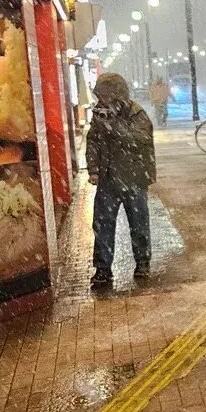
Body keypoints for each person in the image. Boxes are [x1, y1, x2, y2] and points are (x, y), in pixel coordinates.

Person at [86, 72, 157, 288]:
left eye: (107, 96)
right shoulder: (100, 113)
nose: (104, 101)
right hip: (108, 179)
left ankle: (143, 263)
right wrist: (94, 169)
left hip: (134, 178)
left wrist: (114, 126)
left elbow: (140, 140)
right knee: (102, 224)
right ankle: (103, 269)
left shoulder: (136, 114)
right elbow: (93, 142)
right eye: (101, 96)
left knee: (138, 223)